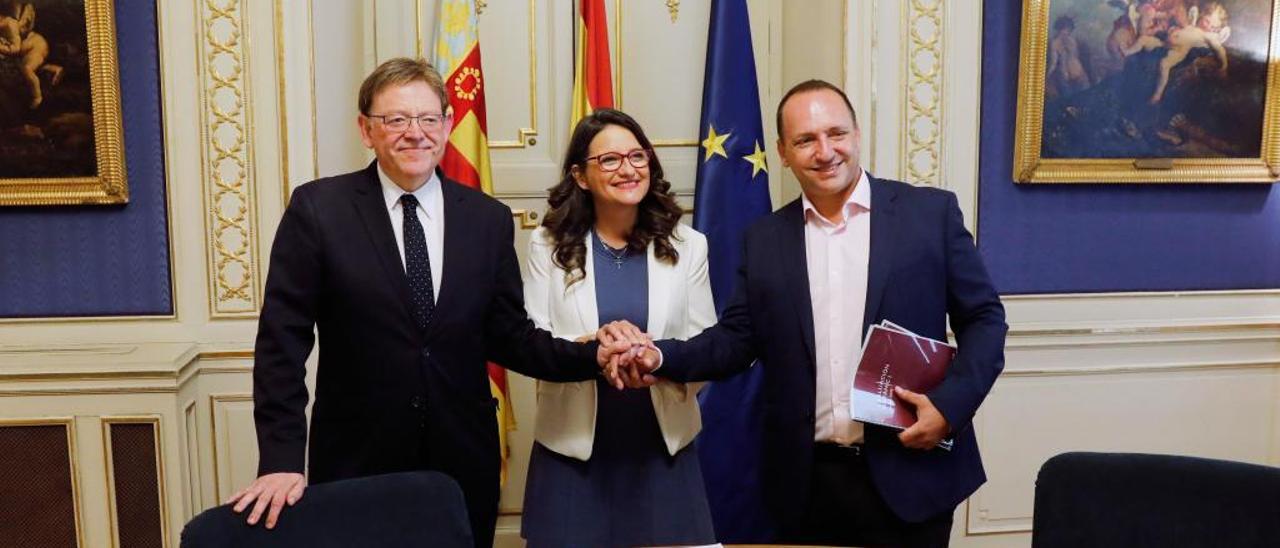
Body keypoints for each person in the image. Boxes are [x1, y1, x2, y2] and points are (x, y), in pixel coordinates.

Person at [226, 57, 629, 548]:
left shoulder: (487, 219)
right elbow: (280, 347)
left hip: (461, 465)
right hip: (356, 461)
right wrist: (281, 460)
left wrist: (592, 356)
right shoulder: (319, 210)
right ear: (366, 130)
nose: (414, 133)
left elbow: (509, 337)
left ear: (447, 125)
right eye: (395, 119)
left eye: (427, 118)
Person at [609, 79, 1008, 547]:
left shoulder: (929, 214)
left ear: (857, 135)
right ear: (782, 151)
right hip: (806, 483)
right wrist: (659, 357)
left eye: (836, 133)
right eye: (805, 140)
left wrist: (950, 406)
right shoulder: (764, 239)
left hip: (911, 471)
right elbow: (736, 340)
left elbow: (984, 318)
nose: (825, 151)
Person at [520, 108, 717, 547]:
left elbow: (706, 346)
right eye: (609, 160)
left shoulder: (689, 246)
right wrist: (596, 349)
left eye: (637, 156)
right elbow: (531, 341)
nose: (628, 169)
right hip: (572, 454)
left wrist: (648, 356)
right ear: (581, 176)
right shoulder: (547, 244)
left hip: (663, 452)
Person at [0, 1, 62, 109]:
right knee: (25, 67)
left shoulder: (9, 25)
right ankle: (53, 69)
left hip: (36, 47)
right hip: (26, 50)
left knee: (27, 69)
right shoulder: (4, 24)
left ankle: (37, 96)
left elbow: (15, 48)